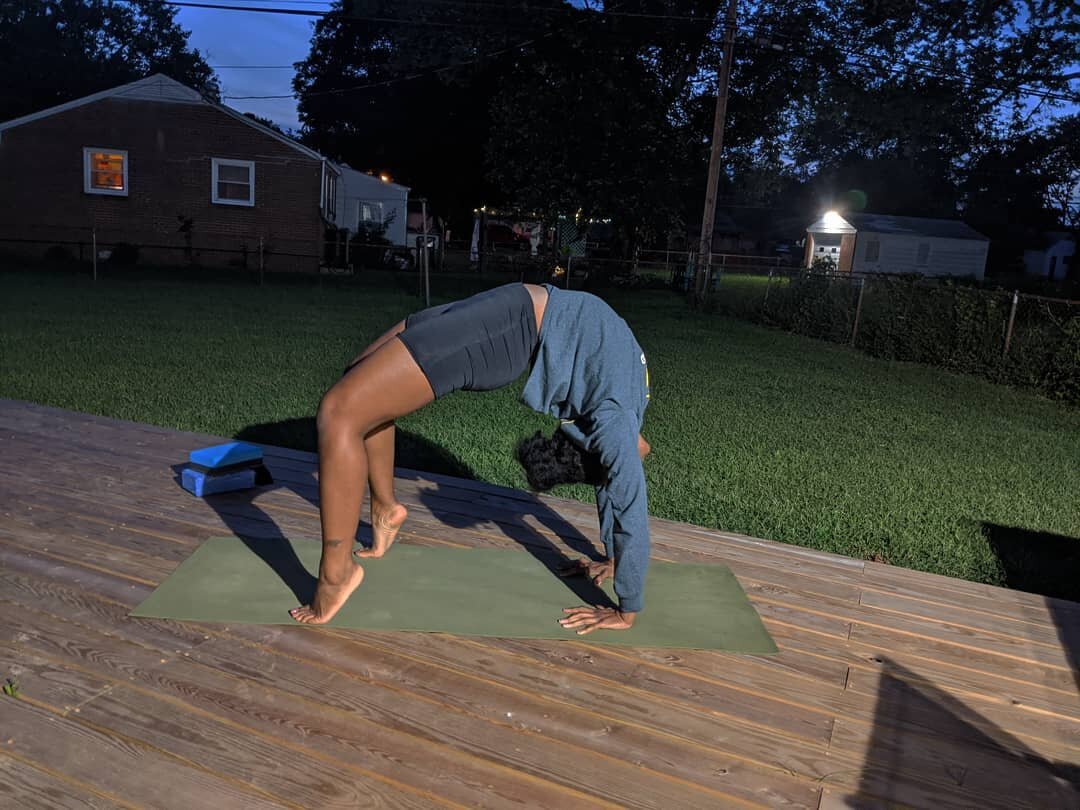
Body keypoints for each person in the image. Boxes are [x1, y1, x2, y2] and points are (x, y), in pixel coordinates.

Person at [289, 282, 652, 634]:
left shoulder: (628, 405)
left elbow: (619, 479)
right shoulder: (616, 424)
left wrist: (618, 570)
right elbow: (624, 492)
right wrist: (627, 602)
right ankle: (385, 508)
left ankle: (335, 575)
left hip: (514, 314)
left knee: (341, 411)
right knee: (355, 380)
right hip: (511, 318)